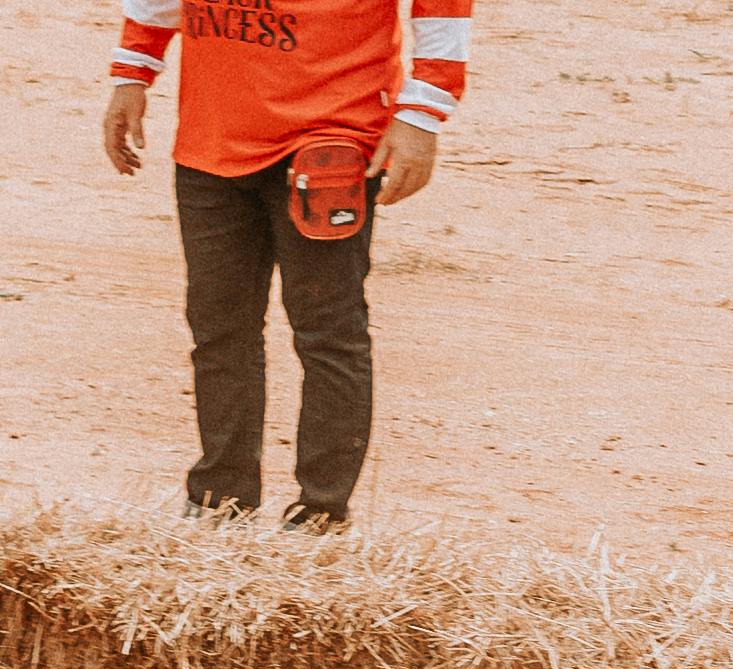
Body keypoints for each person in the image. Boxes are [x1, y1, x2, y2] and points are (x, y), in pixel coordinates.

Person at [100, 0, 465, 530]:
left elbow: (443, 10)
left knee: (327, 333)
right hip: (213, 133)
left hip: (331, 138)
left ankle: (320, 516)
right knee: (219, 326)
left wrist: (423, 115)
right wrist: (132, 73)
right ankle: (219, 501)